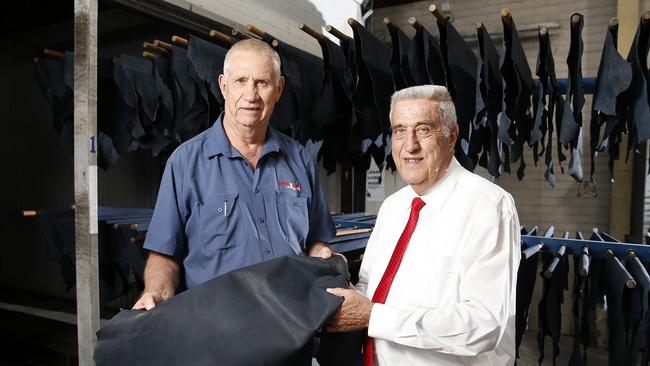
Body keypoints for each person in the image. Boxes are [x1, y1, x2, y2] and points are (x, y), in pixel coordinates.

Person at [133, 39, 336, 310]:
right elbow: (164, 254)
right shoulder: (185, 163)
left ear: (279, 89)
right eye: (240, 81)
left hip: (291, 328)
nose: (251, 95)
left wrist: (322, 258)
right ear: (223, 86)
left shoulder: (300, 160)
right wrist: (156, 293)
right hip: (215, 335)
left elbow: (315, 240)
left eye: (262, 82)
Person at [326, 85, 521, 365]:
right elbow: (372, 286)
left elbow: (483, 325)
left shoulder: (488, 206)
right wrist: (335, 282)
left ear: (451, 135)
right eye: (400, 130)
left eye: (424, 129)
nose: (410, 145)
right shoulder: (393, 207)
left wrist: (374, 316)